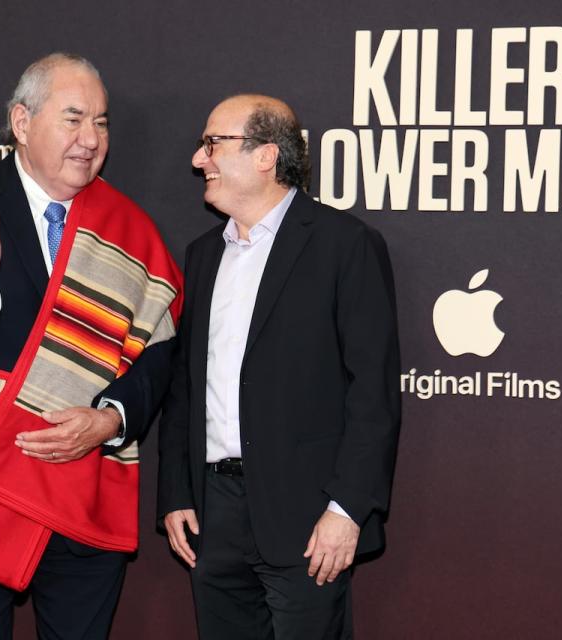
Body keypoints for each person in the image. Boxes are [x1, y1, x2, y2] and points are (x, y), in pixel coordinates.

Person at [0, 53, 182, 640]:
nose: (90, 139)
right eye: (73, 118)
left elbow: (160, 350)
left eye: (100, 123)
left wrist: (111, 418)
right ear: (22, 123)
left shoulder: (130, 228)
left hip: (83, 490)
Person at [157, 95, 400, 639]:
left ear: (266, 156)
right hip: (212, 515)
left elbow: (373, 394)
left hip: (308, 516)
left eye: (213, 144)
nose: (200, 160)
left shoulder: (345, 245)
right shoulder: (202, 255)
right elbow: (184, 387)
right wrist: (176, 491)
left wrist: (347, 510)